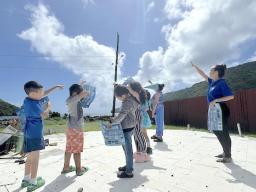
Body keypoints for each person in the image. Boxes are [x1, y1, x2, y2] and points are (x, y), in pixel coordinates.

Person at [22, 81, 63, 191]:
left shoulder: (27, 100)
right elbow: (44, 115)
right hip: (35, 134)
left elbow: (43, 93)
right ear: (33, 94)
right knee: (35, 158)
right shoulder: (34, 104)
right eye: (40, 92)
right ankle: (33, 182)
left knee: (30, 157)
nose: (43, 94)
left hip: (28, 133)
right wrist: (49, 107)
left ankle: (26, 179)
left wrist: (55, 86)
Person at [192, 63, 234, 163]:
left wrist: (216, 100)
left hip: (221, 110)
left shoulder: (221, 83)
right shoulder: (212, 82)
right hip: (215, 110)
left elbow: (231, 96)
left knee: (222, 132)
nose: (209, 72)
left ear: (216, 72)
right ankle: (225, 152)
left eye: (211, 70)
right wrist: (195, 66)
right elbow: (203, 74)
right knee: (217, 131)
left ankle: (228, 156)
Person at [110, 85, 138, 178]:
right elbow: (125, 114)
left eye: (117, 97)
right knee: (126, 149)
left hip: (126, 128)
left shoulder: (126, 102)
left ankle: (129, 171)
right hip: (130, 126)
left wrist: (113, 122)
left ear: (122, 95)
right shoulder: (132, 99)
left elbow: (122, 115)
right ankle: (128, 165)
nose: (117, 99)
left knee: (128, 150)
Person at [62, 83, 89, 176]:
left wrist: (80, 85)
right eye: (79, 92)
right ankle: (79, 169)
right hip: (76, 129)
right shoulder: (73, 100)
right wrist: (84, 91)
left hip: (70, 128)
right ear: (75, 93)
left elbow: (80, 95)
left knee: (69, 148)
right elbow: (83, 94)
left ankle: (66, 167)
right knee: (77, 150)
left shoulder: (71, 100)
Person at [127, 82, 150, 163]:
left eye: (129, 88)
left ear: (134, 89)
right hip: (135, 116)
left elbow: (141, 108)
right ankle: (139, 151)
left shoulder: (138, 96)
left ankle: (144, 153)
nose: (128, 89)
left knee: (138, 134)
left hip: (137, 116)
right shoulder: (135, 95)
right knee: (136, 134)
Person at [141, 90, 153, 154]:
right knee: (145, 134)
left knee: (140, 134)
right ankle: (148, 148)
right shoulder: (148, 101)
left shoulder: (141, 101)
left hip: (140, 117)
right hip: (146, 117)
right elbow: (149, 109)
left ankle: (142, 148)